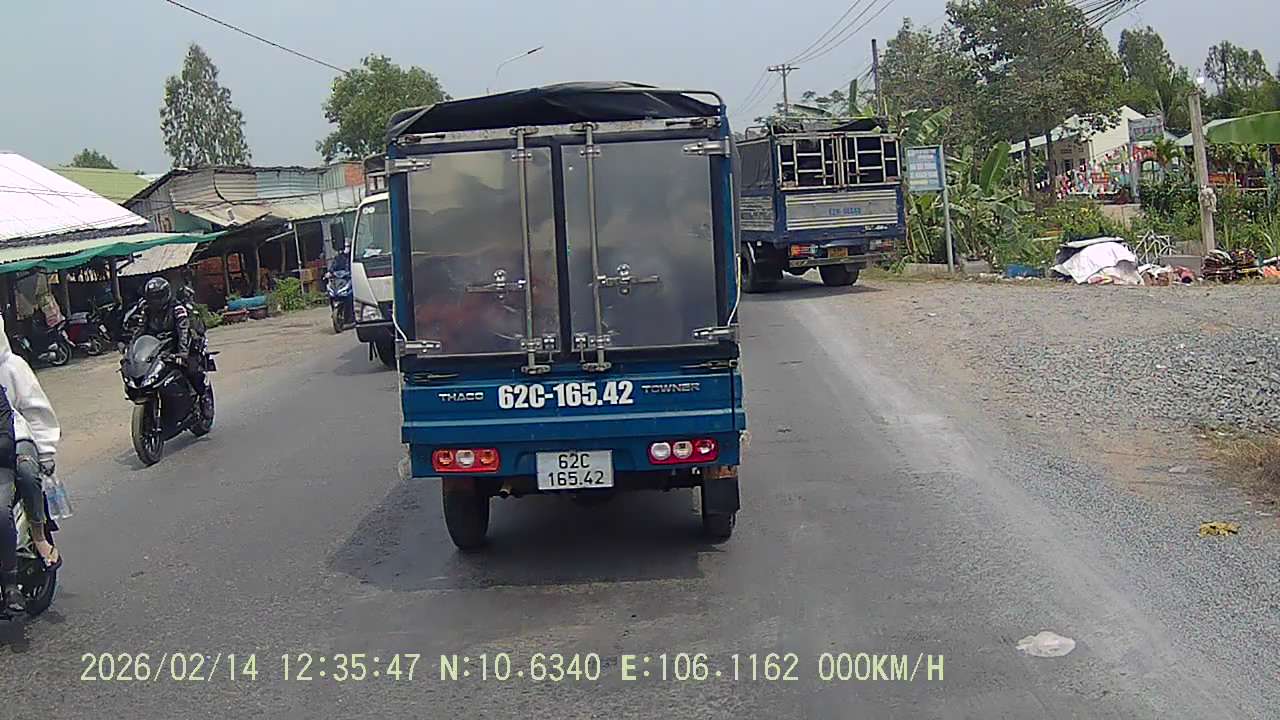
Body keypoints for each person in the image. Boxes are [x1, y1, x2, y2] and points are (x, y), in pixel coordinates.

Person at [0, 316, 61, 614]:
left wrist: (46, 451)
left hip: (16, 439)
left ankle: (37, 536)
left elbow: (35, 410)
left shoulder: (12, 367)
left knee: (26, 473)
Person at [132, 277, 204, 392]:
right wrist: (131, 351)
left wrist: (183, 351)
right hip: (158, 350)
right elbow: (140, 331)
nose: (155, 301)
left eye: (158, 296)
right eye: (152, 297)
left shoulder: (177, 308)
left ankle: (202, 395)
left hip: (176, 347)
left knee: (192, 371)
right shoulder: (147, 311)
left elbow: (183, 330)